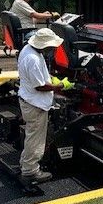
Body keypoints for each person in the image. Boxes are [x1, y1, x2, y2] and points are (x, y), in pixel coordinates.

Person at [17, 28, 64, 184]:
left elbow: (39, 78)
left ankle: (25, 164)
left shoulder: (28, 50)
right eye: (51, 47)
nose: (52, 49)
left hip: (28, 100)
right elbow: (40, 86)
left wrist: (50, 78)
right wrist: (59, 86)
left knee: (31, 136)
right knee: (35, 140)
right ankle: (30, 172)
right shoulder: (33, 59)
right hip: (35, 105)